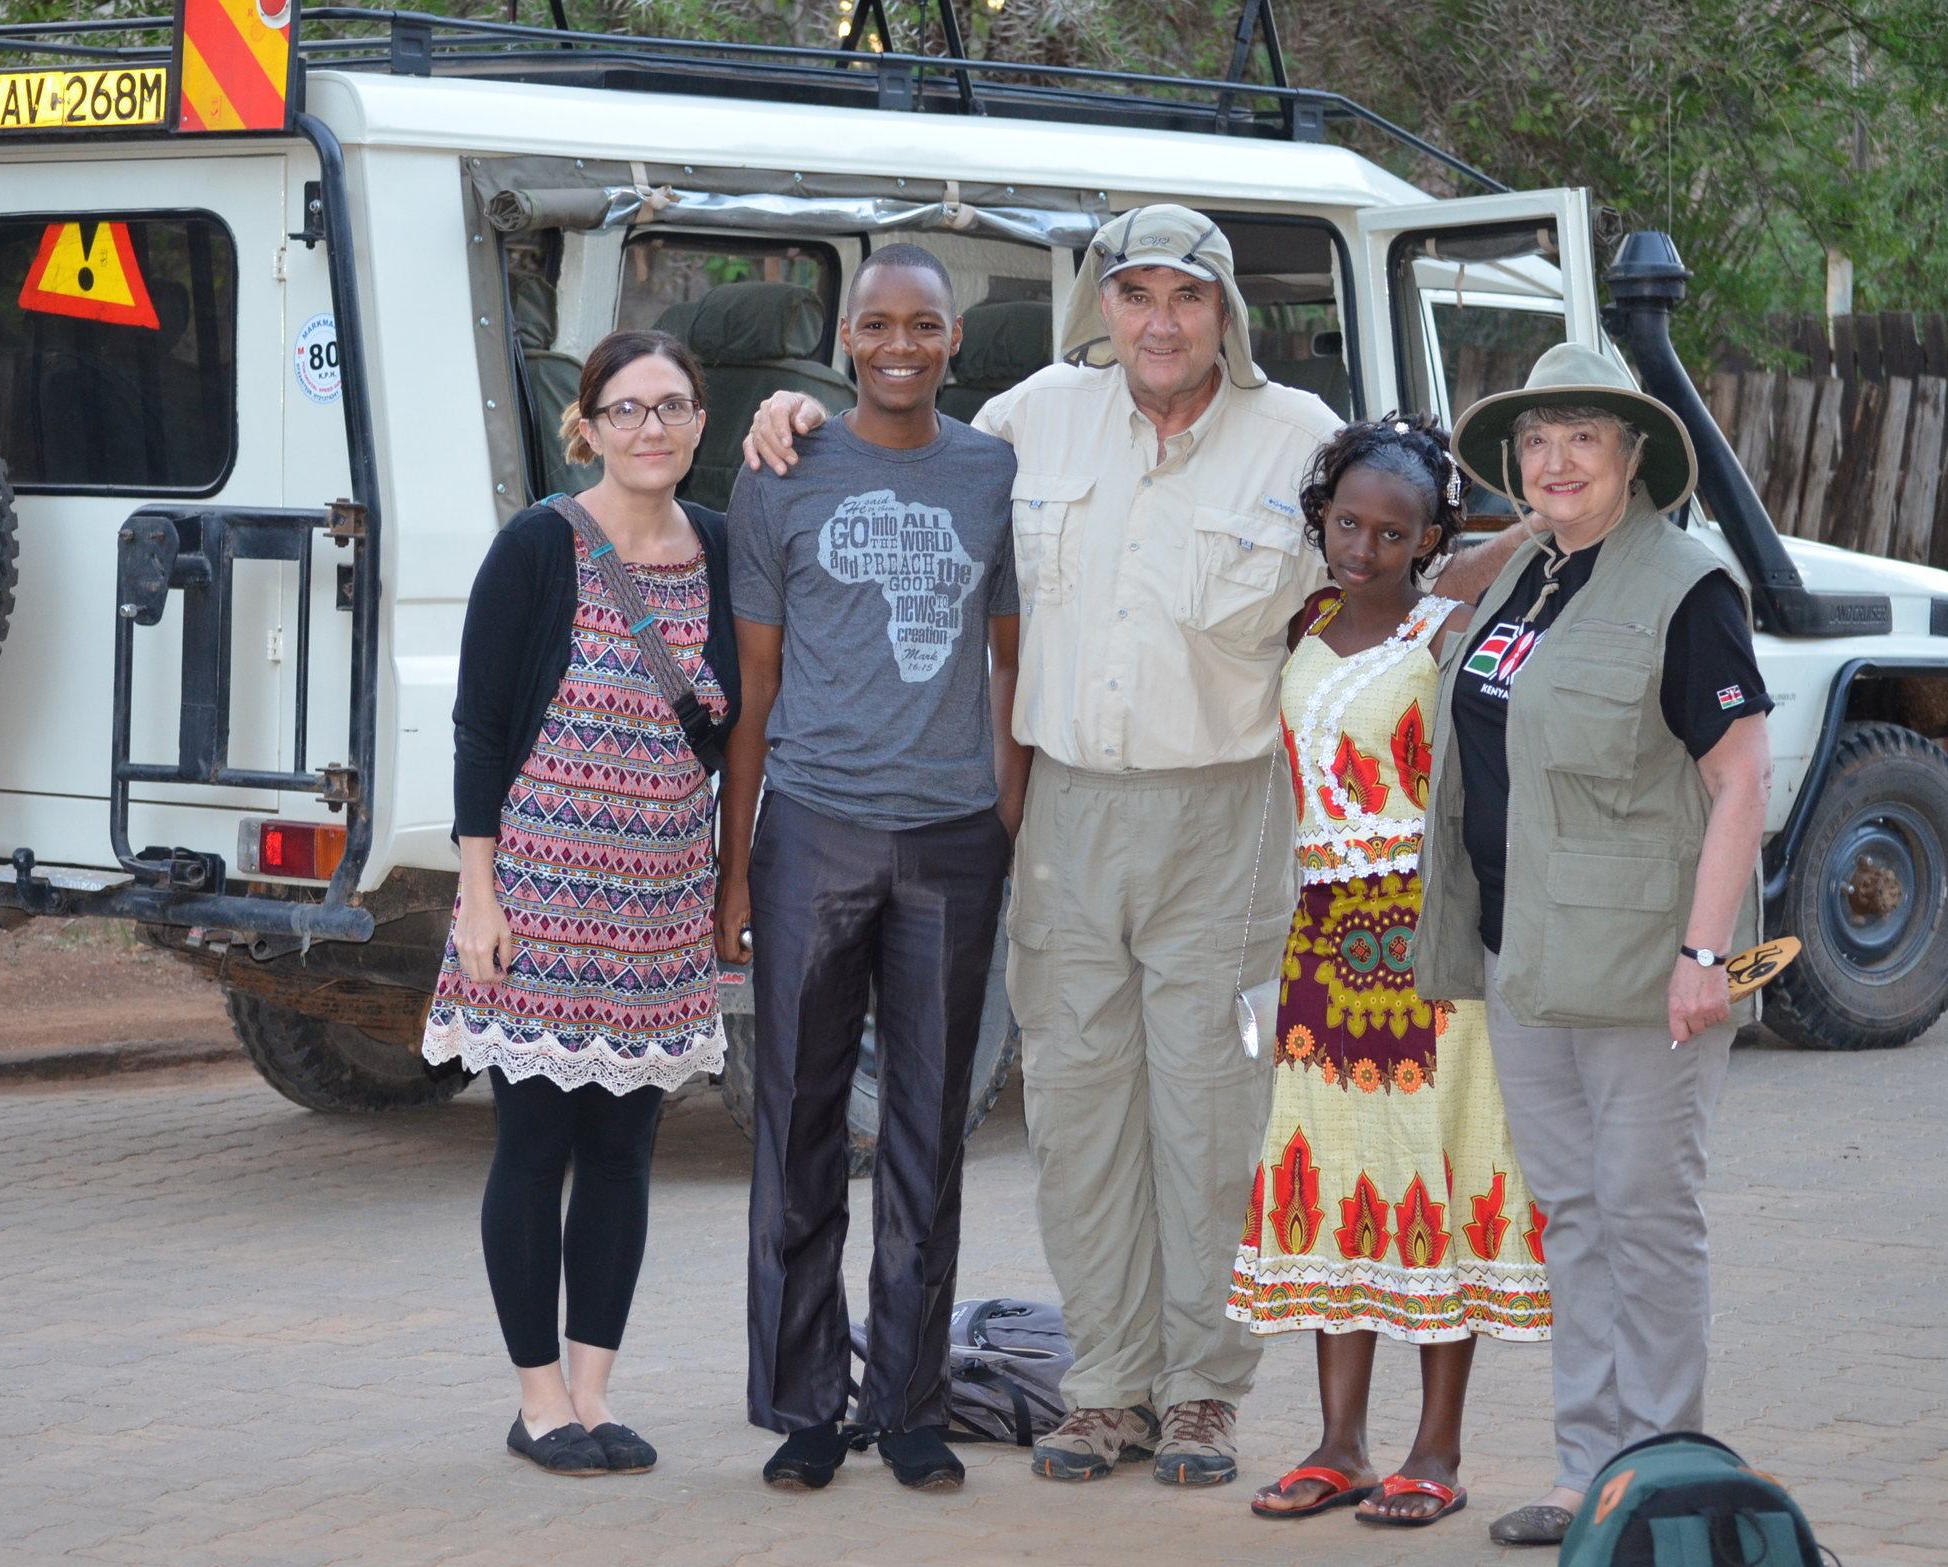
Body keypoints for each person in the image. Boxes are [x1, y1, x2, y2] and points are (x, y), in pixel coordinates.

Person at [749, 206, 1523, 1488]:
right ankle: (1105, 1386)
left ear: (1226, 312)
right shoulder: (1027, 420)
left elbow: (1410, 564)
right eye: (1136, 296)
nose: (1160, 323)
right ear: (1100, 307)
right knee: (1077, 1105)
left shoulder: (1299, 444)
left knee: (1211, 1113)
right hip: (1060, 815)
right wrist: (790, 412)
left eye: (1188, 298)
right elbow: (900, 441)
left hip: (1222, 817)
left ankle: (1206, 1390)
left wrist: (1548, 533)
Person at [1414, 342, 1774, 1546]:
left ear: (1634, 458)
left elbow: (1740, 780)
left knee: (1645, 1214)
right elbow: (1436, 613)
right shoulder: (1528, 575)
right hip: (1525, 952)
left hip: (1642, 962)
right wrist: (1516, 535)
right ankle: (1586, 1474)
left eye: (1583, 437)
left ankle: (1660, 1474)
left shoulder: (1685, 584)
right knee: (1571, 1212)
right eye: (1535, 440)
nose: (1556, 460)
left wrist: (1705, 955)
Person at [715, 244, 1024, 1494]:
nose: (901, 343)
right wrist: (738, 869)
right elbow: (756, 688)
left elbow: (1011, 659)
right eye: (878, 323)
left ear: (954, 341)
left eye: (926, 325)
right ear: (844, 337)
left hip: (952, 837)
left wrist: (1002, 809)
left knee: (926, 1126)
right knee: (792, 1124)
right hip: (816, 830)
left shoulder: (994, 472)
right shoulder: (780, 474)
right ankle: (801, 1405)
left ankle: (907, 1405)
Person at [421, 330, 738, 1478]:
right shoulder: (538, 547)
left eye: (672, 405)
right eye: (626, 409)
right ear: (588, 427)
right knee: (536, 1138)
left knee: (624, 1148)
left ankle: (597, 1394)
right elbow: (477, 725)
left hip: (659, 905)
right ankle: (538, 1400)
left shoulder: (720, 549)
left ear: (701, 422)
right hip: (541, 900)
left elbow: (733, 728)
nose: (651, 428)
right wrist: (478, 892)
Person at [1231, 416, 1551, 1531]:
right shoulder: (1309, 614)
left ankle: (1436, 1450)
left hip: (1422, 944)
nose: (1362, 546)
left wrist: (1473, 538)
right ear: (1319, 516)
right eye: (1346, 522)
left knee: (1433, 1182)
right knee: (1332, 1181)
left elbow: (1540, 528)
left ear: (1428, 538)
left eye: (1392, 529)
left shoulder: (1445, 623)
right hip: (1319, 942)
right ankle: (1336, 1446)